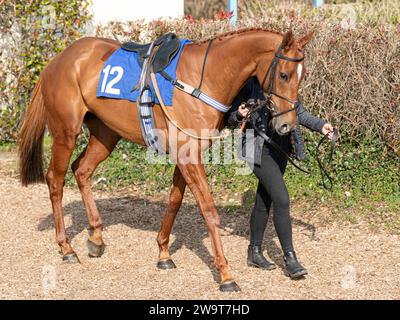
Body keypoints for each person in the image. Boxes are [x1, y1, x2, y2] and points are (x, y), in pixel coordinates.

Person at [225, 77, 335, 279]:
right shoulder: (249, 84)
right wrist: (238, 114)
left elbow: (298, 112)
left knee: (264, 200)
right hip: (256, 149)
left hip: (280, 149)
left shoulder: (284, 81)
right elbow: (228, 118)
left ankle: (254, 252)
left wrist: (321, 125)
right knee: (282, 199)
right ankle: (290, 258)